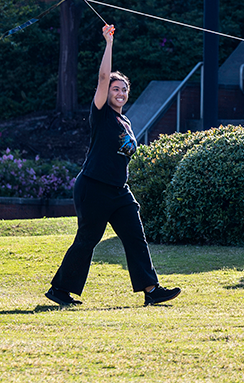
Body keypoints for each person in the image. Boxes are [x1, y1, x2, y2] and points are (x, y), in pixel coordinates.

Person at [46, 24, 181, 308]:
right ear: (107, 92)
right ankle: (60, 289)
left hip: (119, 191)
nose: (119, 92)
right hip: (93, 187)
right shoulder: (101, 114)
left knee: (136, 235)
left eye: (124, 89)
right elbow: (103, 76)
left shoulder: (126, 121)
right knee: (88, 239)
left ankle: (151, 289)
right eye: (115, 89)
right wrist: (109, 42)